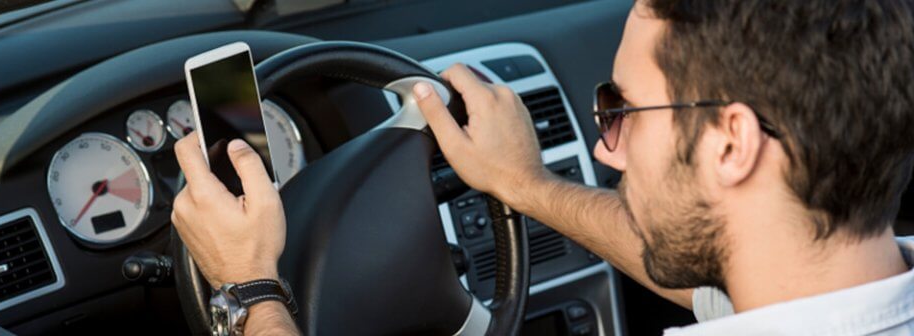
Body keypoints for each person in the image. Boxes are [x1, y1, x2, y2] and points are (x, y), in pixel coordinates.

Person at [171, 0, 914, 334]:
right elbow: (718, 285)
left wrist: (249, 288)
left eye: (621, 110)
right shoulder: (841, 285)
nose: (602, 149)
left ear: (732, 145)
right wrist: (525, 186)